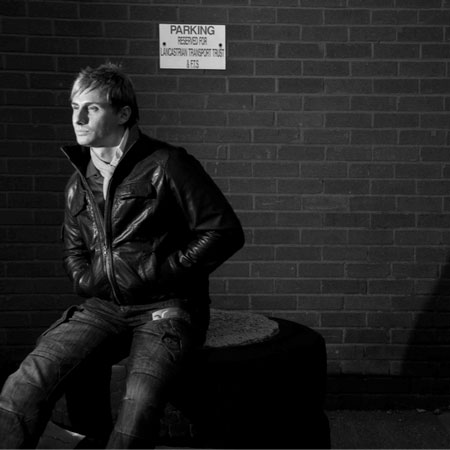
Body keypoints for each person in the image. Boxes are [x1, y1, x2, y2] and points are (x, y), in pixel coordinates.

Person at [0, 62, 245, 448]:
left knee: (138, 407)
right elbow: (74, 249)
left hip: (166, 307)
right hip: (104, 307)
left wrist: (158, 273)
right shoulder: (79, 182)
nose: (78, 118)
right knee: (22, 388)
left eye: (92, 108)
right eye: (74, 107)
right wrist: (87, 280)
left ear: (123, 113)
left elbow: (223, 231)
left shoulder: (167, 164)